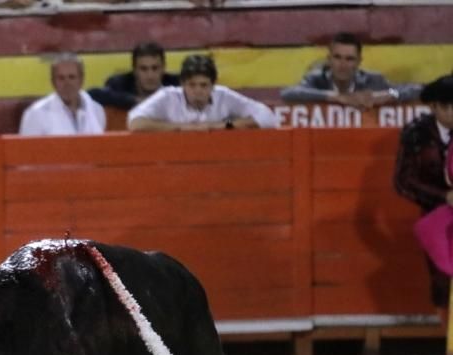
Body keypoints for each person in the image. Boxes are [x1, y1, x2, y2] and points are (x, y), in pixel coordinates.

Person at [394, 75, 453, 310]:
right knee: (442, 281)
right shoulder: (417, 133)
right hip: (437, 217)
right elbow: (403, 181)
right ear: (434, 107)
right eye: (449, 107)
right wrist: (444, 197)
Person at [127, 54, 279, 132]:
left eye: (204, 85)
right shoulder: (168, 96)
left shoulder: (223, 95)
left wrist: (223, 126)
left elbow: (268, 117)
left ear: (213, 85)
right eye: (192, 85)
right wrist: (181, 128)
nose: (198, 91)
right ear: (182, 84)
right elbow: (135, 123)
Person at [280, 32, 421, 109]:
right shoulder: (317, 79)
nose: (343, 64)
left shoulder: (372, 80)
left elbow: (418, 89)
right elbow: (287, 93)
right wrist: (334, 96)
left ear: (359, 62)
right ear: (329, 60)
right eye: (337, 57)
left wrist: (389, 94)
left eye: (349, 59)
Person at [18, 53, 106, 136]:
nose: (67, 84)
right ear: (53, 82)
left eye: (72, 77)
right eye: (61, 78)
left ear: (81, 80)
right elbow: (26, 151)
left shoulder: (97, 110)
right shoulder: (35, 114)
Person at [88, 42, 180, 111]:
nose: (150, 75)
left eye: (155, 68)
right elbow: (93, 94)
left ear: (163, 68)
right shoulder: (120, 84)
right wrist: (135, 100)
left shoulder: (175, 83)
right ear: (135, 70)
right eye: (144, 69)